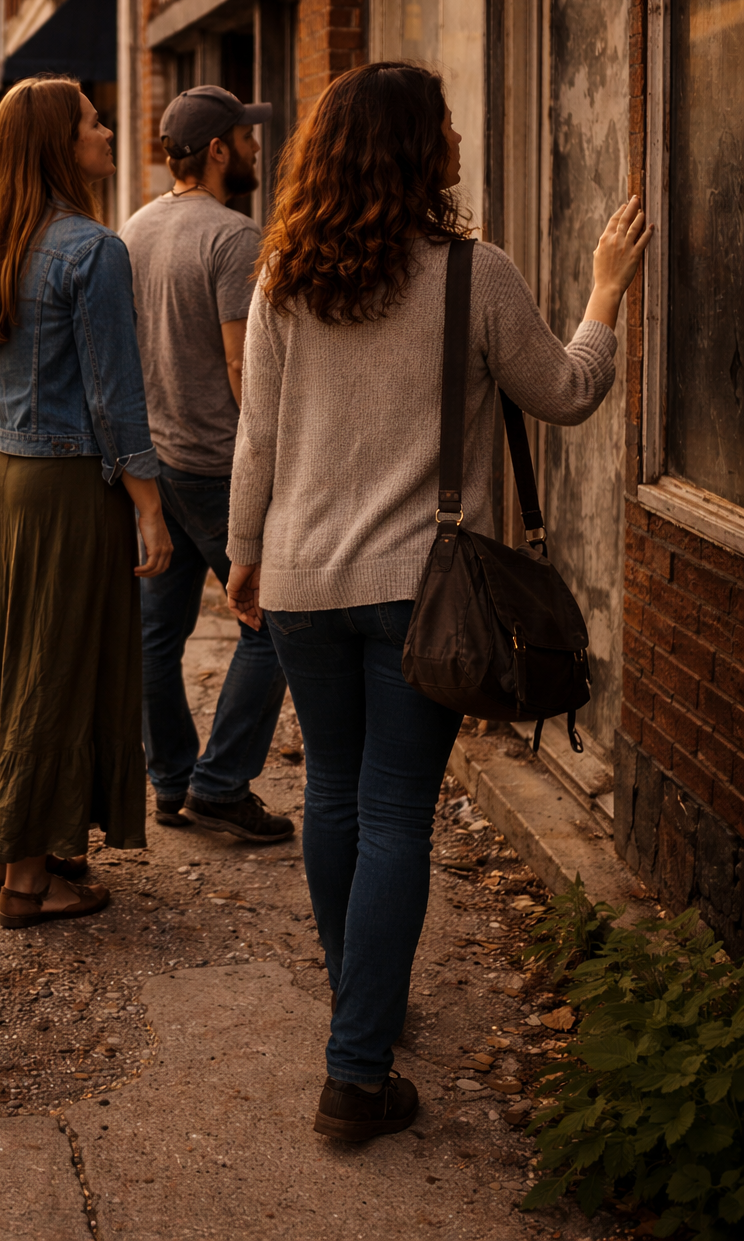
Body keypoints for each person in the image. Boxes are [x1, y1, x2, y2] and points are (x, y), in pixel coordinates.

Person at [225, 62, 653, 1140]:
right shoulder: (474, 273)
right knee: (390, 812)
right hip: (425, 593)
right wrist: (604, 294)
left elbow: (257, 442)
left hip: (304, 580)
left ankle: (357, 1009)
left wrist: (241, 557)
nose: (459, 139)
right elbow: (564, 392)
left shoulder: (283, 275)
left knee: (334, 796)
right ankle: (357, 1073)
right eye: (447, 127)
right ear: (422, 149)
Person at [0, 76, 172, 927]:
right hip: (71, 483)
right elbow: (116, 397)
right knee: (58, 666)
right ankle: (30, 883)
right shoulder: (91, 248)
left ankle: (10, 846)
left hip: (13, 476)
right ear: (58, 147)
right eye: (92, 123)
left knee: (17, 654)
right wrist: (149, 503)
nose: (108, 132)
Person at [122, 87, 291, 843]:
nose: (257, 149)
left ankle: (169, 780)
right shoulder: (232, 236)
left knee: (158, 636)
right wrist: (281, 456)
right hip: (221, 468)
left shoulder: (135, 228)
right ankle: (220, 784)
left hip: (158, 464)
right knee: (275, 621)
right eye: (246, 139)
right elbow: (240, 364)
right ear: (218, 150)